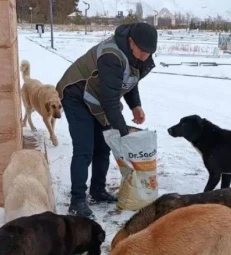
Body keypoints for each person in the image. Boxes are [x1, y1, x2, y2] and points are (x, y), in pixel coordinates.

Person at [56, 22, 157, 218]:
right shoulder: (111, 56)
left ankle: (98, 191)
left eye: (150, 53)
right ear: (131, 42)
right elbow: (110, 101)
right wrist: (123, 133)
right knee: (84, 148)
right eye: (143, 51)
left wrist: (135, 105)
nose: (146, 56)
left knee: (103, 145)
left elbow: (128, 79)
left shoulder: (135, 56)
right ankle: (77, 200)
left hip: (98, 97)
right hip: (76, 95)